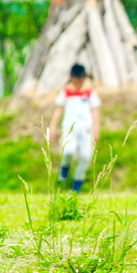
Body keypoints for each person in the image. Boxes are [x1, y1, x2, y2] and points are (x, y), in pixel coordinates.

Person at [49, 63, 100, 193]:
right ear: (71, 78)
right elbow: (59, 110)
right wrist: (52, 127)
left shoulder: (90, 92)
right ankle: (64, 168)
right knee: (68, 151)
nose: (78, 84)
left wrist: (96, 129)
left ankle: (77, 184)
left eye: (80, 81)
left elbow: (95, 111)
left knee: (85, 156)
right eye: (76, 81)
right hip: (69, 128)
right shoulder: (65, 91)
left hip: (85, 129)